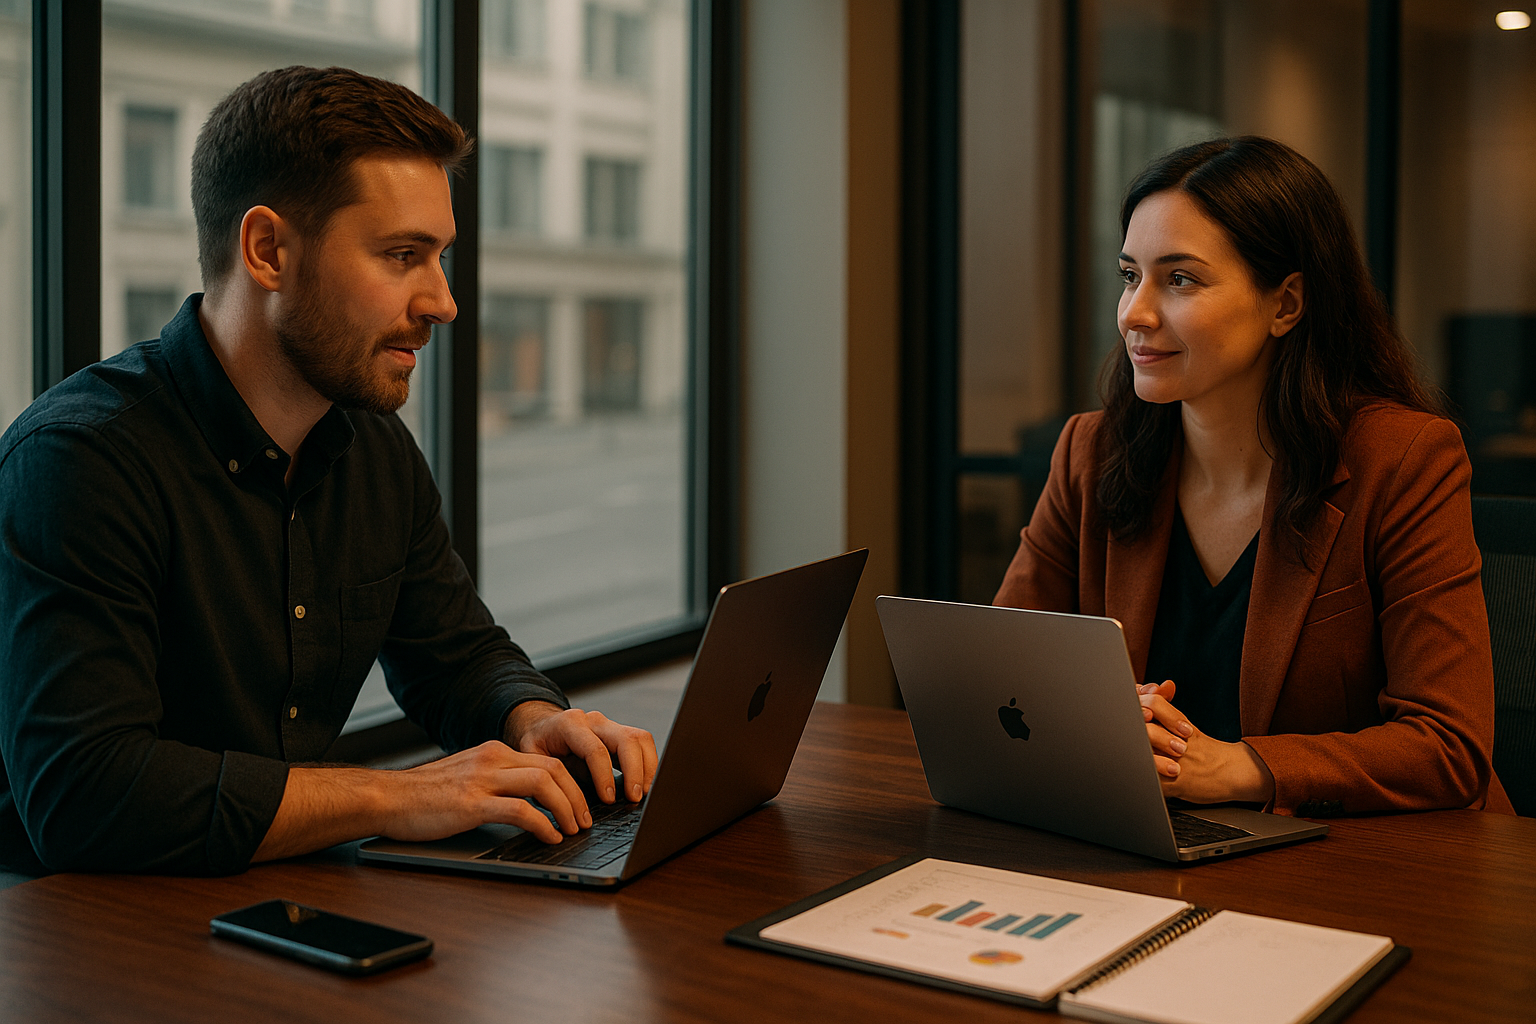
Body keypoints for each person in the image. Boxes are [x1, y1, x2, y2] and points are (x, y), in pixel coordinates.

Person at [0, 66, 660, 877]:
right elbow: (86, 796)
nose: (443, 302)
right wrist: (395, 796)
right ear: (268, 251)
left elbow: (456, 655)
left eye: (440, 257)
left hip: (277, 895)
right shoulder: (79, 460)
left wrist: (529, 718)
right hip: (75, 925)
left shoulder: (372, 446)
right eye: (402, 255)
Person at [994, 135, 1513, 817]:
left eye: (1180, 279)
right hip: (1146, 837)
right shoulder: (1091, 452)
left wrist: (1239, 768)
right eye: (1129, 276)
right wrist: (1099, 717)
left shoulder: (1405, 459)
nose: (1134, 314)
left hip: (1363, 856)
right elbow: (999, 676)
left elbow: (1448, 744)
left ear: (1286, 304)